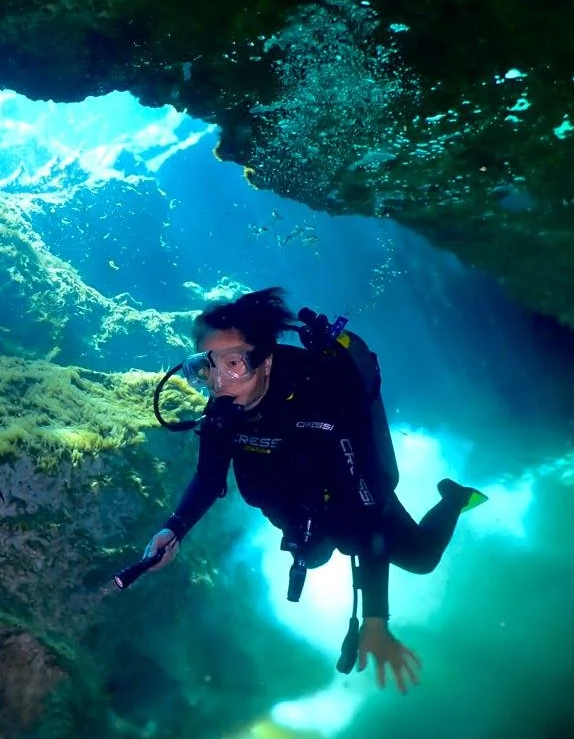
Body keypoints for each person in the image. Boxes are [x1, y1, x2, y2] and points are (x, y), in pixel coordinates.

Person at [142, 287, 486, 693]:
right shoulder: (223, 415)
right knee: (317, 553)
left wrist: (375, 619)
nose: (219, 381)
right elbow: (208, 478)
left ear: (265, 361)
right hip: (295, 499)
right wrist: (174, 530)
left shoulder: (319, 405)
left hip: (355, 487)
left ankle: (454, 497)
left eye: (234, 363)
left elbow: (367, 517)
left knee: (421, 557)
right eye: (205, 367)